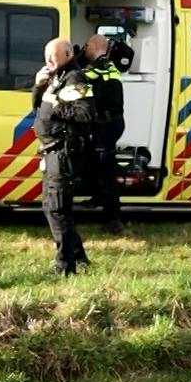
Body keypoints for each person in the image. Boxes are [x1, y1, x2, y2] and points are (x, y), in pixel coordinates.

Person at [33, 37, 91, 276]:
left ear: (67, 54)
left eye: (53, 55)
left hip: (63, 151)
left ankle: (65, 266)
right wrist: (38, 86)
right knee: (50, 207)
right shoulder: (55, 77)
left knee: (58, 209)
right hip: (50, 151)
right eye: (46, 56)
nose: (48, 60)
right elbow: (38, 108)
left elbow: (85, 113)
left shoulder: (76, 78)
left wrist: (56, 105)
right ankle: (79, 257)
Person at [77, 32, 127, 233]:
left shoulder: (101, 68)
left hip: (106, 126)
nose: (85, 48)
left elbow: (82, 78)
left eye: (87, 45)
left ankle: (113, 220)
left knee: (106, 172)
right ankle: (97, 196)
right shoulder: (105, 66)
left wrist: (74, 60)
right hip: (105, 123)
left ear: (96, 46)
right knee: (89, 165)